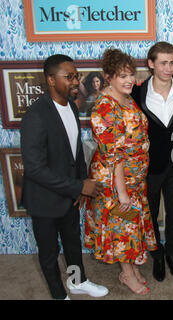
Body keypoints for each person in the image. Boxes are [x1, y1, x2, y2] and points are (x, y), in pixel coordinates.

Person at [20, 54, 108, 300]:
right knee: (49, 253)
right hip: (44, 199)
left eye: (76, 76)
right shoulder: (36, 115)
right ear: (50, 79)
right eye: (68, 77)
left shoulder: (70, 105)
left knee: (72, 243)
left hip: (69, 195)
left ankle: (77, 282)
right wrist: (79, 185)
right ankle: (59, 295)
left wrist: (79, 188)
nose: (74, 82)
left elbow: (75, 151)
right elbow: (35, 169)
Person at [84, 48, 157, 295]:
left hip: (134, 177)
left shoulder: (125, 97)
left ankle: (133, 267)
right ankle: (127, 274)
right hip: (115, 180)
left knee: (131, 223)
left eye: (131, 75)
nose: (129, 80)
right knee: (121, 226)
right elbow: (113, 155)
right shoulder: (104, 107)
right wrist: (122, 192)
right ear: (109, 77)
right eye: (122, 76)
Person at [131, 41, 173, 282]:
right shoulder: (137, 92)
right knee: (150, 213)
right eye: (163, 63)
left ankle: (172, 254)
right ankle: (157, 255)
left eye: (172, 62)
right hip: (149, 166)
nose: (169, 67)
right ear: (151, 64)